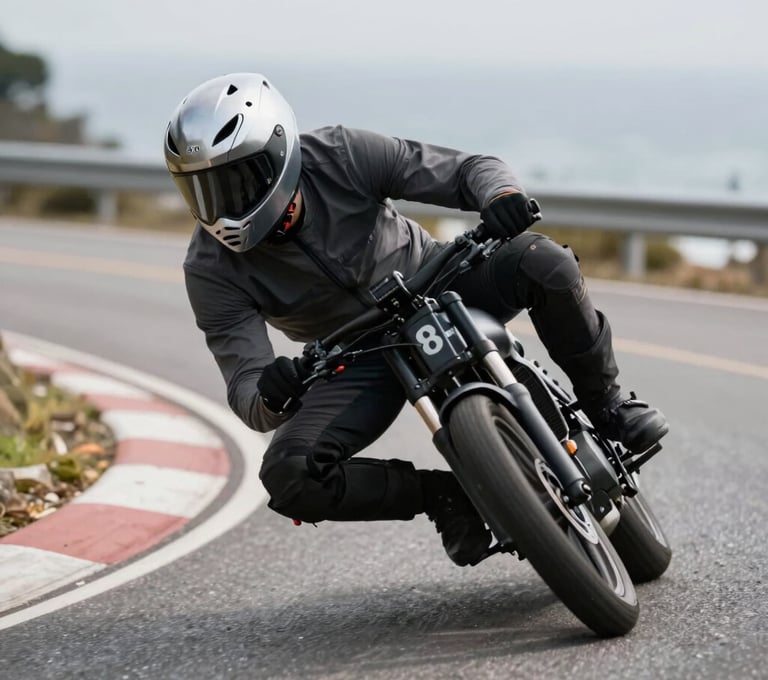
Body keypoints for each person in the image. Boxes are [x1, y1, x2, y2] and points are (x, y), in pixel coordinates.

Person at [165, 72, 668, 567]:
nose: (218, 207)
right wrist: (272, 394)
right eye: (202, 190)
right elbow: (247, 390)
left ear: (278, 154)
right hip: (358, 353)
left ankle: (607, 406)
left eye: (231, 183)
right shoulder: (209, 269)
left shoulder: (340, 153)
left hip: (440, 282)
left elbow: (469, 169)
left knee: (547, 263)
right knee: (290, 474)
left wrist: (501, 197)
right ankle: (443, 496)